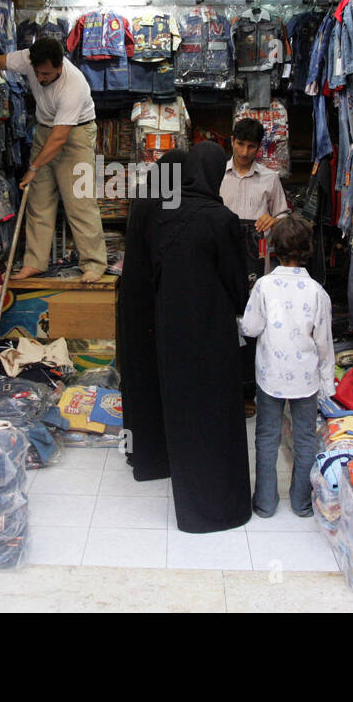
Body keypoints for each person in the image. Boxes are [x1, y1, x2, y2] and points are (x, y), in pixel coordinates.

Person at [151, 142, 252, 532]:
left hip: (172, 330)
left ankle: (191, 509)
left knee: (184, 413)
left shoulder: (164, 215)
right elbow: (234, 282)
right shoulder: (220, 218)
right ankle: (223, 506)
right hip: (211, 332)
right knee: (217, 413)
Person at [0, 36, 107, 282]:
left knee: (79, 200)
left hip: (75, 134)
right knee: (37, 200)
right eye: (37, 73)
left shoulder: (74, 85)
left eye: (46, 74)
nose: (40, 78)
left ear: (60, 66)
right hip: (46, 129)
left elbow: (60, 138)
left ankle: (93, 263)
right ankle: (35, 262)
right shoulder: (28, 59)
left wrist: (33, 168)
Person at [239, 215, 334, 518]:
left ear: (273, 249)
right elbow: (324, 344)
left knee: (267, 437)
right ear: (308, 248)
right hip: (306, 380)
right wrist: (328, 385)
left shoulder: (264, 287)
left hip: (270, 376)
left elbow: (251, 329)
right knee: (306, 438)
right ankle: (301, 502)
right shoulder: (318, 292)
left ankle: (265, 503)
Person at [117, 148, 187, 482]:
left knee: (136, 381)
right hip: (152, 304)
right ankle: (157, 456)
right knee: (155, 381)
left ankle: (138, 453)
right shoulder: (165, 207)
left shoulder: (145, 198)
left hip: (133, 304)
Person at [219, 116, 291, 416]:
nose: (245, 152)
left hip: (255, 262)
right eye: (240, 144)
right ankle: (221, 389)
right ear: (231, 141)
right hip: (222, 255)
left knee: (252, 323)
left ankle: (248, 391)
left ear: (259, 148)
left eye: (251, 146)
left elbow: (286, 216)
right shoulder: (217, 176)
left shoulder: (270, 179)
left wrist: (273, 220)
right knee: (222, 318)